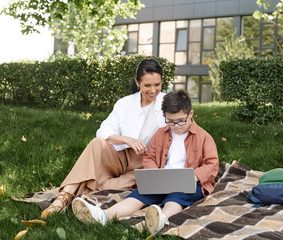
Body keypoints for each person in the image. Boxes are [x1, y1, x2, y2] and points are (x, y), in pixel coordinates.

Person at [71, 90, 219, 235]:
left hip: (188, 183)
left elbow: (212, 164)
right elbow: (149, 157)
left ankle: (160, 219)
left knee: (176, 198)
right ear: (165, 117)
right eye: (171, 121)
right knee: (139, 195)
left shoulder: (204, 137)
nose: (176, 126)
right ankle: (103, 215)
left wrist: (194, 176)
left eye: (181, 121)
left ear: (190, 114)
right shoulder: (161, 134)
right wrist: (154, 174)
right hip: (161, 179)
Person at [41, 58, 167, 218]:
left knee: (113, 184)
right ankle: (61, 199)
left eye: (157, 85)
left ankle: (77, 190)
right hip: (120, 157)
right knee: (97, 144)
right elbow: (103, 130)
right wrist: (128, 140)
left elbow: (182, 130)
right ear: (137, 82)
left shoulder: (168, 103)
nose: (153, 90)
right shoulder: (125, 103)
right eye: (147, 85)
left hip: (144, 165)